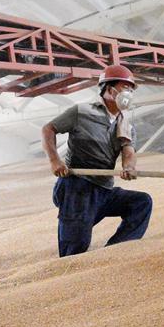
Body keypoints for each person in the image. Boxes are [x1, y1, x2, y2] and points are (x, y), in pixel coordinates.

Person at [41, 64, 153, 257]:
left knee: (141, 203)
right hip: (77, 189)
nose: (128, 93)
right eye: (124, 87)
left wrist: (129, 167)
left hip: (104, 190)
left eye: (130, 89)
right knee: (75, 251)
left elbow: (128, 151)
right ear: (109, 89)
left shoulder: (125, 124)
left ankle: (115, 253)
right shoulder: (81, 112)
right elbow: (48, 129)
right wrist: (54, 161)